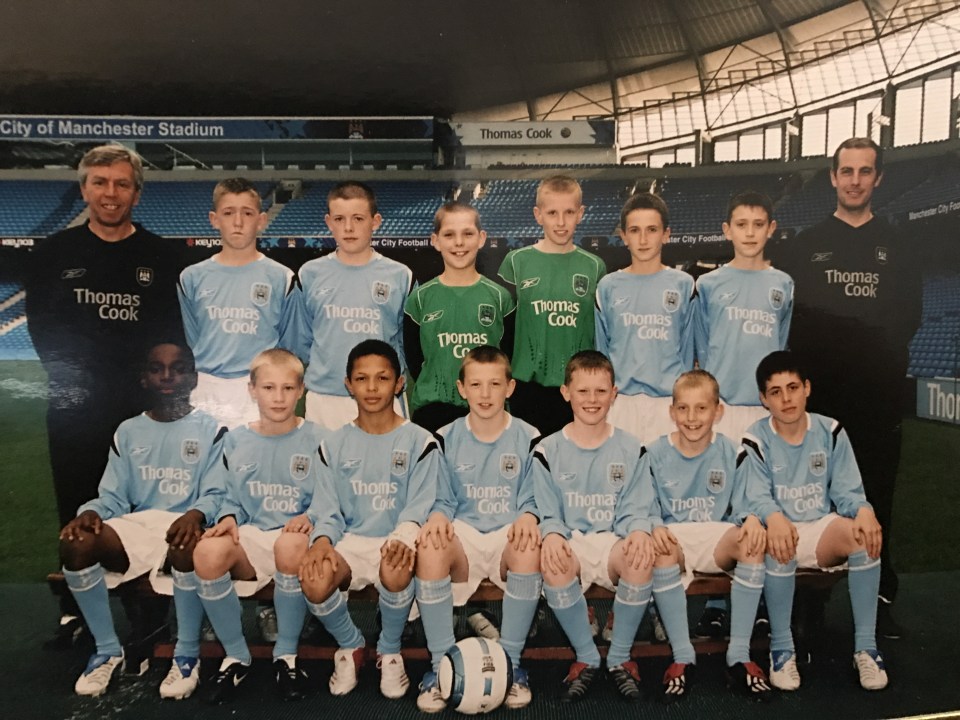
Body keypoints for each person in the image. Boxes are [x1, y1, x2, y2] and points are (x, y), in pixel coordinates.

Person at [25, 144, 184, 646]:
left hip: (140, 412)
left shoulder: (161, 256)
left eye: (121, 184)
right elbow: (42, 329)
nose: (110, 193)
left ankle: (146, 610)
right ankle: (75, 613)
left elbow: (169, 334)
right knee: (75, 506)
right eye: (100, 182)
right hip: (76, 408)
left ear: (137, 192)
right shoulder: (52, 254)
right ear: (83, 188)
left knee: (141, 508)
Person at [776, 138, 921, 636]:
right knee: (813, 500)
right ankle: (811, 602)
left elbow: (909, 316)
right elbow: (797, 324)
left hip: (877, 400)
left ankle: (878, 600)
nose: (855, 179)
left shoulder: (900, 244)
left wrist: (867, 358)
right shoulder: (804, 245)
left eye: (865, 171)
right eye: (846, 171)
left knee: (877, 500)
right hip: (824, 405)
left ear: (877, 178)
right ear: (833, 178)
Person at [57, 341, 224, 699]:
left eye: (178, 368)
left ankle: (187, 652)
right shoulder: (128, 431)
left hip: (187, 526)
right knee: (76, 542)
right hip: (139, 526)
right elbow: (113, 497)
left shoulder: (213, 429)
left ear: (193, 378)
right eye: (157, 368)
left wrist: (195, 514)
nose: (167, 375)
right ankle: (106, 649)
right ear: (144, 378)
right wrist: (90, 513)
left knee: (186, 542)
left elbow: (216, 494)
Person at [530, 350, 697, 704]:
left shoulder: (631, 446)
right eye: (583, 391)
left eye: (601, 392)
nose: (592, 400)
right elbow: (547, 512)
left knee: (641, 552)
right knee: (553, 561)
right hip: (574, 543)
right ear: (565, 392)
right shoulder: (547, 449)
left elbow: (638, 507)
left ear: (615, 393)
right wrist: (554, 534)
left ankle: (620, 656)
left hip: (612, 545)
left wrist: (638, 529)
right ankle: (586, 655)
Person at [298, 339, 443, 701]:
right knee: (314, 578)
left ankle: (389, 651)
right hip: (350, 543)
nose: (373, 387)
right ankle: (351, 645)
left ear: (399, 382)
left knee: (395, 567)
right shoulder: (332, 444)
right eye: (362, 379)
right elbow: (327, 510)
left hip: (395, 540)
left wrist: (403, 538)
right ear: (348, 384)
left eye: (382, 378)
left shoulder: (421, 441)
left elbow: (419, 507)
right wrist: (321, 541)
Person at [739, 350, 888, 692]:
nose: (786, 398)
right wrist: (774, 517)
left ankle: (866, 648)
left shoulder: (830, 430)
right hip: (778, 533)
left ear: (807, 388)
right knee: (779, 541)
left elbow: (848, 491)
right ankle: (782, 649)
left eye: (793, 387)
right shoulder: (755, 437)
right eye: (775, 392)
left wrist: (864, 509)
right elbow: (757, 497)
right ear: (763, 399)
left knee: (865, 535)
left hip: (819, 529)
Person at [191, 348, 326, 704]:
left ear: (301, 390)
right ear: (252, 390)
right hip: (251, 538)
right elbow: (227, 495)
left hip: (297, 542)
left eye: (287, 388)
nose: (278, 397)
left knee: (291, 544)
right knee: (206, 551)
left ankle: (286, 655)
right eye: (268, 388)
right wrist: (229, 518)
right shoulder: (236, 439)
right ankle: (237, 655)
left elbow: (331, 498)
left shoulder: (320, 439)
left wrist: (310, 516)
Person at [413, 346, 541, 711]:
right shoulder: (443, 436)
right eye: (476, 385)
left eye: (494, 384)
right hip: (465, 536)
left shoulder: (529, 436)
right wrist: (437, 516)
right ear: (461, 388)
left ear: (510, 388)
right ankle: (439, 668)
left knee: (530, 543)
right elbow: (441, 499)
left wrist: (529, 516)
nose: (485, 394)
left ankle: (513, 665)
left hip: (506, 535)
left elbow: (532, 501)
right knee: (431, 544)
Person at [645, 370, 771, 700]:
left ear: (718, 411)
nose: (692, 418)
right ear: (672, 412)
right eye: (683, 409)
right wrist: (654, 524)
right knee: (659, 547)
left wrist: (755, 519)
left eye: (702, 408)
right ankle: (683, 655)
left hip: (716, 537)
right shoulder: (653, 452)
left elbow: (750, 501)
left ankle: (739, 655)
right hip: (674, 538)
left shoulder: (733, 452)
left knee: (753, 542)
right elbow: (643, 503)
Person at [178, 177, 306, 429]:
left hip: (260, 390)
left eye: (247, 213)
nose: (238, 222)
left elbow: (291, 347)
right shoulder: (191, 278)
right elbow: (192, 339)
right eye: (228, 213)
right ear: (214, 219)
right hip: (206, 389)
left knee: (257, 466)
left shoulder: (282, 277)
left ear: (261, 221)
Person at [497, 175, 606, 436]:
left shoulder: (594, 266)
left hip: (577, 388)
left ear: (580, 214)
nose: (560, 222)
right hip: (527, 386)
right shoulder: (516, 262)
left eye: (568, 212)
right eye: (552, 212)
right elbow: (504, 330)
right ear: (538, 215)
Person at [299, 181, 413, 429]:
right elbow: (303, 340)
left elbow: (407, 342)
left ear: (376, 221)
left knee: (384, 468)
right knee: (323, 467)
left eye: (358, 219)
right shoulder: (310, 274)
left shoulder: (400, 276)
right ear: (329, 222)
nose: (348, 227)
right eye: (339, 219)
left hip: (381, 398)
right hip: (325, 399)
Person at [693, 190, 794, 444]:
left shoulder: (784, 284)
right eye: (741, 225)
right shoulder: (707, 284)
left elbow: (780, 345)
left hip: (766, 406)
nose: (750, 233)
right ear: (727, 230)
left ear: (771, 228)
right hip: (720, 407)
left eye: (758, 225)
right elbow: (702, 347)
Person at [404, 202, 515, 431]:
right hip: (432, 411)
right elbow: (415, 359)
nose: (459, 243)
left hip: (486, 409)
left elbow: (508, 354)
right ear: (435, 241)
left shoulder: (500, 297)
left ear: (481, 238)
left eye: (467, 234)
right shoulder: (420, 298)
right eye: (449, 234)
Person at [595, 192, 695, 445]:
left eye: (651, 229)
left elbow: (689, 347)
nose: (643, 239)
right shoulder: (608, 287)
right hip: (621, 404)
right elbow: (602, 352)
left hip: (668, 404)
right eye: (635, 230)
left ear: (666, 234)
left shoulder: (684, 285)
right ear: (623, 236)